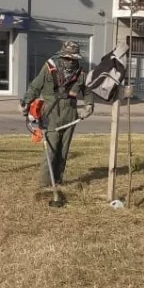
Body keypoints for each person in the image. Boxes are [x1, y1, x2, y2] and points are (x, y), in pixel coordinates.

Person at [20, 41, 95, 188]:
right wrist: (26, 102)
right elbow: (35, 87)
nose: (70, 61)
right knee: (51, 148)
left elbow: (87, 91)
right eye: (67, 58)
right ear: (62, 56)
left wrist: (89, 105)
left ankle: (58, 180)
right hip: (50, 112)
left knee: (63, 150)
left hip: (70, 113)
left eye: (73, 59)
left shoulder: (81, 73)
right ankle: (45, 184)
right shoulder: (49, 67)